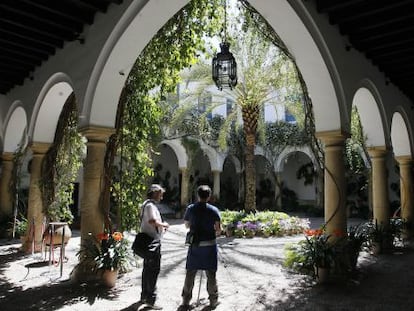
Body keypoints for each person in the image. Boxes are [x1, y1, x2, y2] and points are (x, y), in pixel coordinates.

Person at [180, 185, 222, 310]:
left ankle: (186, 300)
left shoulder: (190, 209)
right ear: (209, 196)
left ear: (198, 195)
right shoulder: (214, 210)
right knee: (211, 274)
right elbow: (218, 230)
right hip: (209, 246)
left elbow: (187, 225)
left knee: (190, 273)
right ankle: (213, 301)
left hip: (195, 246)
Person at [139, 184, 169, 310]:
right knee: (153, 270)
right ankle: (151, 299)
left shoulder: (146, 204)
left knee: (147, 269)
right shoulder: (150, 206)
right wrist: (164, 225)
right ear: (155, 193)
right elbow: (152, 221)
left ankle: (144, 295)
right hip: (152, 242)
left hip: (148, 240)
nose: (161, 197)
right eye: (160, 194)